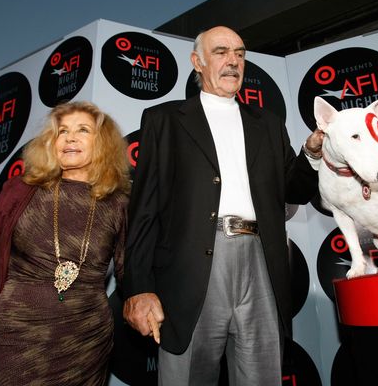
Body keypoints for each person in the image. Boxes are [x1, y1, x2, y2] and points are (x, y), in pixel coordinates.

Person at [123, 25, 324, 385]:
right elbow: (143, 213)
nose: (233, 61)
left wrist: (310, 154)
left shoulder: (269, 124)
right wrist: (138, 287)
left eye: (240, 53)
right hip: (191, 268)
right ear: (197, 62)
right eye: (221, 52)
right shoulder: (163, 121)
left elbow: (292, 191)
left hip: (262, 263)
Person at [0, 101, 130, 385]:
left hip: (86, 339)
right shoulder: (21, 190)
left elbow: (132, 271)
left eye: (83, 130)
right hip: (16, 332)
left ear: (102, 143)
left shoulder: (118, 204)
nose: (70, 137)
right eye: (62, 131)